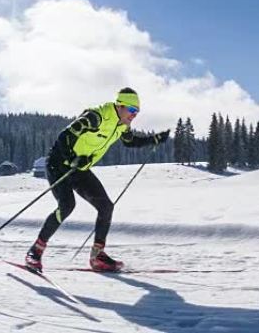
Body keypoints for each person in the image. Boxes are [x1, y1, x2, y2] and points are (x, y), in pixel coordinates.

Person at [25, 88, 169, 272]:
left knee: (106, 206)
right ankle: (35, 252)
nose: (134, 115)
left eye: (137, 112)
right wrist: (71, 158)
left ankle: (97, 256)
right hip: (59, 164)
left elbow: (129, 142)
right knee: (67, 205)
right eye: (132, 110)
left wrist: (154, 139)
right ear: (120, 105)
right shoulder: (97, 116)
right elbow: (65, 136)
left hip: (80, 168)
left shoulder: (122, 124)